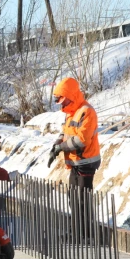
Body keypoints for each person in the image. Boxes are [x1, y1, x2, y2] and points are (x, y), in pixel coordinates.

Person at [48, 77, 101, 239]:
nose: (61, 105)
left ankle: (85, 233)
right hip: (75, 163)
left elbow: (81, 139)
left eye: (63, 101)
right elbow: (66, 132)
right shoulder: (71, 113)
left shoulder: (86, 111)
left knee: (82, 200)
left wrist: (61, 147)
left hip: (86, 162)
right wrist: (57, 143)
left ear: (71, 95)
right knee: (73, 199)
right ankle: (76, 231)